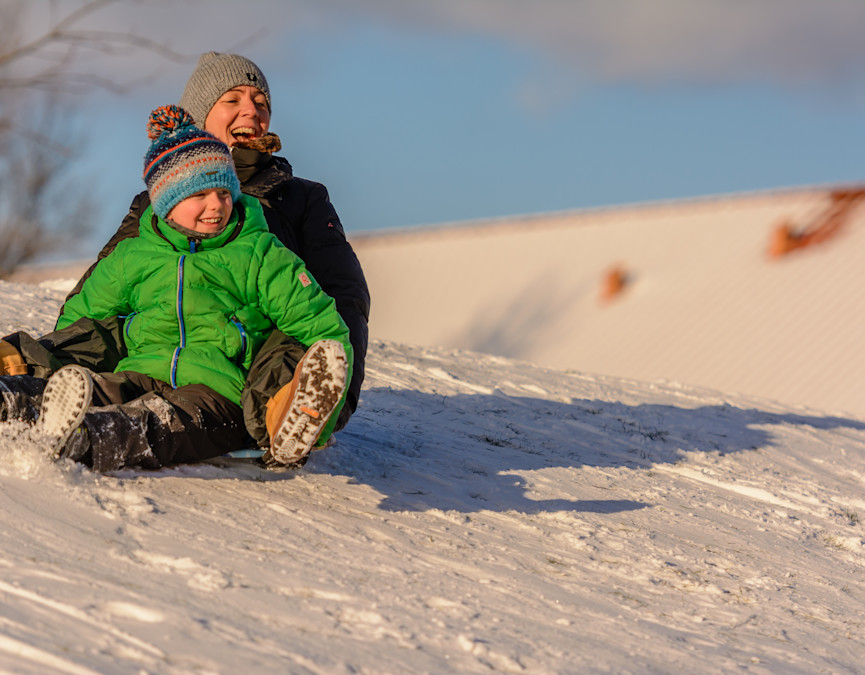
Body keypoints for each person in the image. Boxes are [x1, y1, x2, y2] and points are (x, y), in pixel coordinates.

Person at [0, 52, 369, 449]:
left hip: (239, 370)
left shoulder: (299, 200)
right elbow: (97, 295)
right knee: (101, 332)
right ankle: (21, 388)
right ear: (199, 114)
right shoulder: (154, 207)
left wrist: (335, 403)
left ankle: (291, 414)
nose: (252, 110)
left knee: (292, 339)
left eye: (261, 103)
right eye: (233, 99)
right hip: (151, 358)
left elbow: (340, 298)